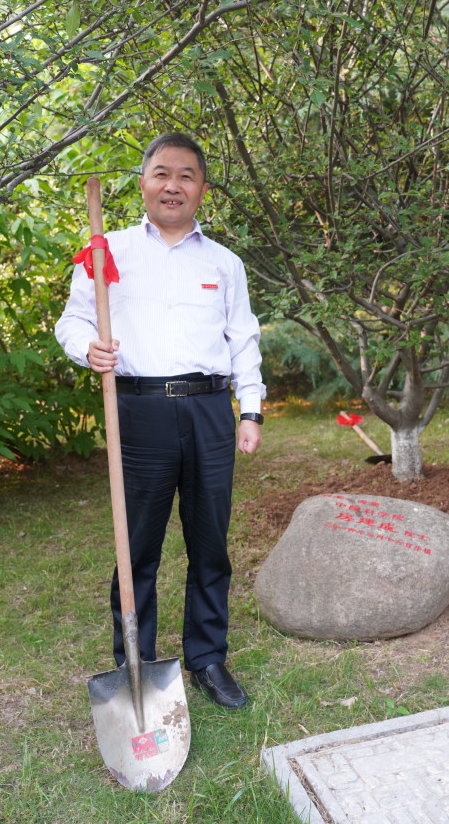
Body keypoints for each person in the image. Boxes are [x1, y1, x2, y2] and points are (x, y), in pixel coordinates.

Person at [55, 133, 265, 710]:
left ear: (203, 188)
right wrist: (88, 348)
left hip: (209, 411)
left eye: (186, 176)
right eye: (162, 174)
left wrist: (250, 409)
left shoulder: (224, 263)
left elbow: (243, 339)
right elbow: (72, 321)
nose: (174, 186)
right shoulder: (108, 252)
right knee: (137, 546)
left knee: (210, 542)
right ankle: (137, 662)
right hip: (138, 411)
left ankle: (207, 657)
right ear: (144, 182)